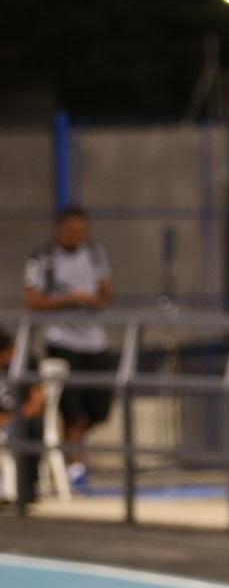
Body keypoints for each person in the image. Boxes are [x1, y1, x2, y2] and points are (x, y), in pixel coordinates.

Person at [24, 205, 113, 490]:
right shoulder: (43, 258)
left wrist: (94, 299)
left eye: (82, 231)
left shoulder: (96, 253)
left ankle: (70, 451)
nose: (77, 236)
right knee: (71, 410)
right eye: (72, 231)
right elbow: (33, 301)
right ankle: (75, 465)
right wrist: (69, 300)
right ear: (59, 230)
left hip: (95, 342)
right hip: (62, 341)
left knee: (99, 409)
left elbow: (105, 292)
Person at [0, 330, 45, 504]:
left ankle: (25, 488)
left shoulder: (27, 362)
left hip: (19, 418)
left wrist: (10, 419)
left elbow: (37, 403)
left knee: (33, 426)